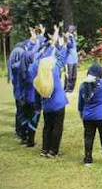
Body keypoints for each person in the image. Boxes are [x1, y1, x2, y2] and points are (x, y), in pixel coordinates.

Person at [31, 26, 72, 158]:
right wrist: (66, 43)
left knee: (47, 127)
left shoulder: (38, 78)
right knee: (57, 127)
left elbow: (37, 95)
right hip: (58, 104)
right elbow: (62, 57)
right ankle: (53, 151)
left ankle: (45, 149)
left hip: (47, 106)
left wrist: (38, 108)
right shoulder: (54, 71)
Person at [9, 39, 27, 138]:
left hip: (17, 91)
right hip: (21, 92)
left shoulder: (14, 66)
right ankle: (21, 132)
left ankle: (18, 130)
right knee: (21, 111)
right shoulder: (19, 67)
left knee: (19, 111)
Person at [64, 24, 79, 93]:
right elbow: (70, 45)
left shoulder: (74, 38)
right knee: (68, 76)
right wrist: (68, 37)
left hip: (75, 60)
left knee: (74, 76)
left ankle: (71, 89)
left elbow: (75, 44)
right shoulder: (68, 39)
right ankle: (66, 89)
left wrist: (73, 37)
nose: (73, 32)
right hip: (69, 60)